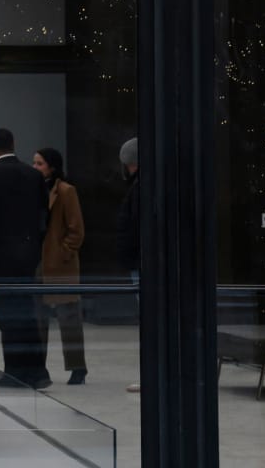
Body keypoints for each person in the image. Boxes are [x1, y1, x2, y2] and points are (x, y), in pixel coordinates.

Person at [0, 128, 53, 389]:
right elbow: (44, 215)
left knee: (9, 316)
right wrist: (34, 247)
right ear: (13, 144)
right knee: (28, 313)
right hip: (27, 255)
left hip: (1, 258)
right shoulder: (33, 176)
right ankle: (37, 370)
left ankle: (15, 372)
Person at [33, 147, 88, 384]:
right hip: (39, 262)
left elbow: (76, 230)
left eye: (40, 163)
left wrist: (63, 252)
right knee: (38, 318)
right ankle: (38, 367)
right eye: (34, 163)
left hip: (61, 263)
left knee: (69, 317)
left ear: (52, 167)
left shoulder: (66, 191)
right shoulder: (34, 190)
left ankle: (77, 368)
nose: (35, 167)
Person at [117, 137, 141, 394]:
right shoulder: (141, 186)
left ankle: (152, 373)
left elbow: (133, 227)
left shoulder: (138, 188)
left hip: (140, 262)